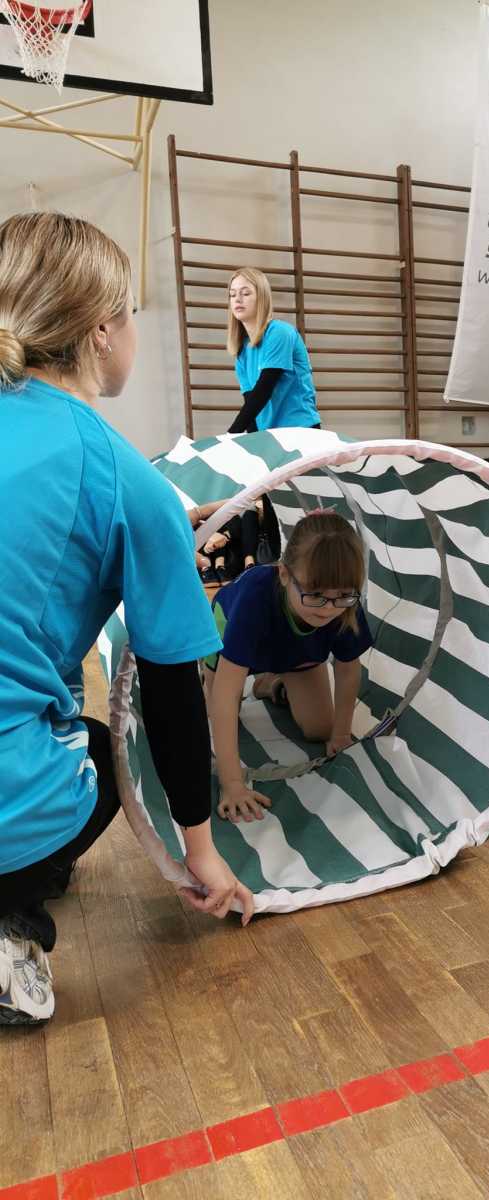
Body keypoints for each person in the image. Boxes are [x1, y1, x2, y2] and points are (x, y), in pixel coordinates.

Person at [0, 213, 253, 1026]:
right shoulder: (124, 479)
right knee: (102, 757)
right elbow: (173, 692)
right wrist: (199, 853)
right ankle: (9, 928)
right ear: (103, 331)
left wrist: (162, 530)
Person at [204, 511, 374, 823]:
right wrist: (233, 784)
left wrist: (339, 734)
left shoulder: (344, 605)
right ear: (284, 574)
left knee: (320, 729)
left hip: (296, 654)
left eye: (342, 596)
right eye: (316, 594)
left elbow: (348, 669)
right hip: (228, 634)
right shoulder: (254, 599)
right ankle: (233, 675)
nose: (329, 608)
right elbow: (225, 697)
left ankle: (271, 683)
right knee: (217, 712)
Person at [226, 267, 319, 434]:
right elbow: (251, 406)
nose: (237, 299)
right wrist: (250, 441)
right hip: (271, 436)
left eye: (245, 293)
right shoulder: (242, 351)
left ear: (261, 298)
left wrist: (230, 435)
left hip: (301, 431)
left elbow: (264, 389)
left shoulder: (279, 332)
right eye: (232, 295)